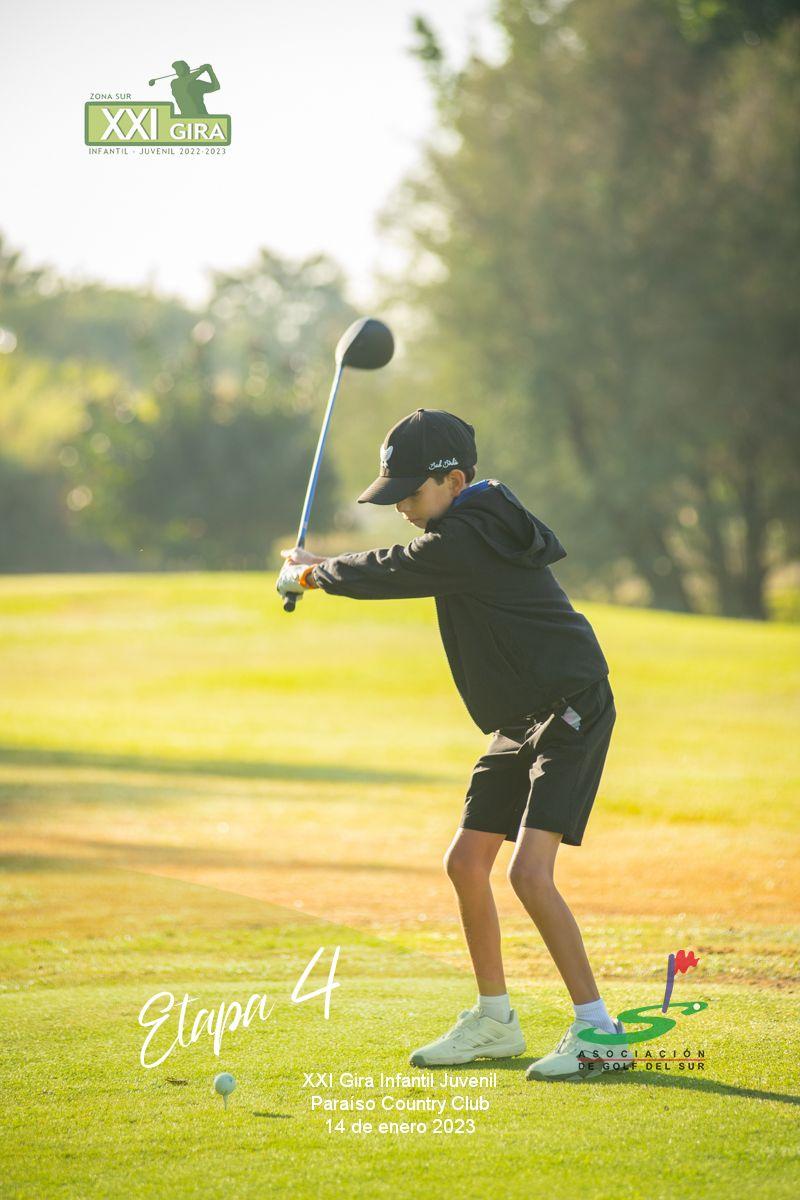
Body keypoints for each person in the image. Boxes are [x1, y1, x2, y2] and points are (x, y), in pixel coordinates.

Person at [277, 408, 630, 1081]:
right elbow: (405, 561)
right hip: (523, 713)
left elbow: (396, 569)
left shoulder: (470, 535)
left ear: (454, 481)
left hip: (571, 706)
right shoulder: (465, 524)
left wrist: (314, 574)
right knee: (467, 863)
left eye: (411, 493)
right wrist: (317, 569)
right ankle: (495, 1021)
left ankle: (599, 1031)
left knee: (528, 874)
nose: (403, 508)